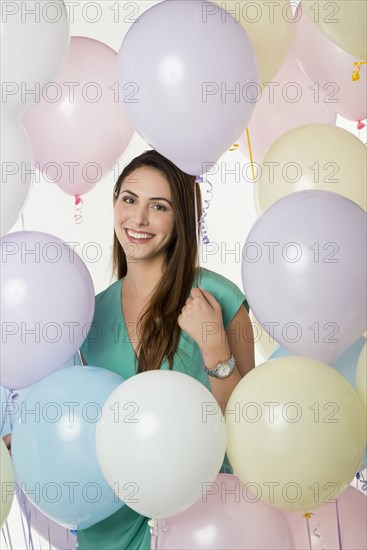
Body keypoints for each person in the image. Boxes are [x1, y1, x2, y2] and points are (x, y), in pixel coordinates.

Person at [78, 149, 255, 549]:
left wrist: (215, 348)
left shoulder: (220, 298)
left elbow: (248, 432)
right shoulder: (89, 315)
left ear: (182, 222)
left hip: (201, 521)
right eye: (129, 199)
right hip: (110, 522)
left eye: (158, 206)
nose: (138, 220)